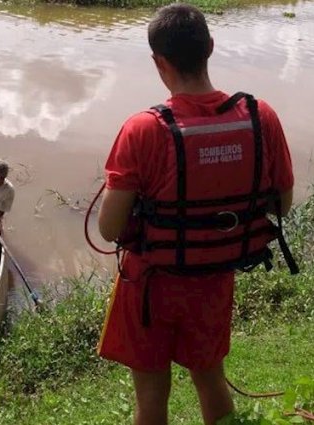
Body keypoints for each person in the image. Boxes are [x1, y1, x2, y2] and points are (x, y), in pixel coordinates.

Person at [96, 4, 296, 425]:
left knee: (151, 397)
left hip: (151, 284)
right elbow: (282, 205)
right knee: (211, 380)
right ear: (210, 46)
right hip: (214, 281)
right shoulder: (262, 118)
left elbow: (109, 228)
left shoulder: (143, 129)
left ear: (158, 62)